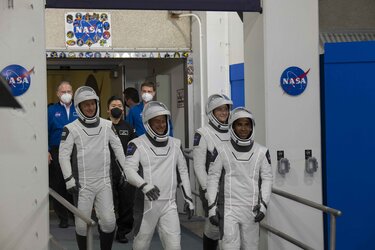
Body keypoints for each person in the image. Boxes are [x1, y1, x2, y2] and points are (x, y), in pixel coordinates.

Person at [59, 86, 126, 250]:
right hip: (83, 184)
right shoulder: (71, 128)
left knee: (109, 222)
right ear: (79, 107)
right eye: (85, 105)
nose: (90, 108)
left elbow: (118, 150)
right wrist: (69, 179)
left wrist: (127, 172)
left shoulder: (107, 125)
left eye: (92, 104)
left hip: (104, 181)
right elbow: (63, 155)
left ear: (97, 104)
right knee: (82, 225)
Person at [124, 101, 194, 250]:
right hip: (145, 204)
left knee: (174, 246)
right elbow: (129, 171)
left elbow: (183, 172)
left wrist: (188, 198)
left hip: (169, 204)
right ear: (148, 123)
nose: (161, 125)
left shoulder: (175, 144)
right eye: (156, 121)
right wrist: (145, 186)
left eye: (163, 121)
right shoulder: (136, 144)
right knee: (140, 245)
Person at [206, 107, 273, 250]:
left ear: (252, 127)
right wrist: (212, 207)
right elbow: (213, 179)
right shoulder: (221, 149)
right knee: (229, 246)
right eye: (239, 124)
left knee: (251, 247)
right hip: (229, 209)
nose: (243, 128)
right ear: (233, 127)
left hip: (252, 209)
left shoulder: (262, 151)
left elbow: (267, 179)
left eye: (247, 124)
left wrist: (264, 205)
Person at [193, 94, 233, 250]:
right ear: (211, 112)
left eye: (226, 109)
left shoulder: (233, 131)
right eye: (219, 110)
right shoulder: (203, 133)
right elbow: (198, 166)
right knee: (214, 226)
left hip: (232, 187)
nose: (224, 113)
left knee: (230, 227)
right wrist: (207, 191)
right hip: (212, 188)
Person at [107, 96, 137, 243]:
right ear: (108, 109)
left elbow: (135, 148)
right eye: (113, 105)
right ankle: (107, 231)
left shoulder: (128, 127)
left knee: (126, 204)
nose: (117, 108)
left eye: (119, 105)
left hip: (125, 172)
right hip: (106, 171)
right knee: (108, 204)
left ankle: (122, 232)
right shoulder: (103, 126)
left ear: (123, 110)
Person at [48, 80, 77, 228]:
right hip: (56, 150)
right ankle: (63, 217)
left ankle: (76, 214)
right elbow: (43, 131)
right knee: (59, 184)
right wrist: (46, 150)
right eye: (63, 92)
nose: (66, 94)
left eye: (69, 91)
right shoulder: (51, 110)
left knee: (74, 182)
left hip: (75, 151)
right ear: (58, 94)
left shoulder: (79, 109)